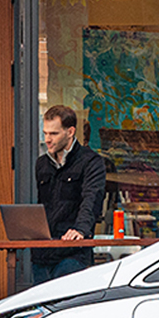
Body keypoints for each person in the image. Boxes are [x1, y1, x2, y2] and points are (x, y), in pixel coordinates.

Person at [32, 104, 106, 285]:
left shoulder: (91, 162)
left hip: (73, 253)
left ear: (70, 132)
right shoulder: (42, 164)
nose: (47, 139)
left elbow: (92, 199)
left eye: (53, 134)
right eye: (45, 133)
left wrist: (80, 229)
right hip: (43, 253)